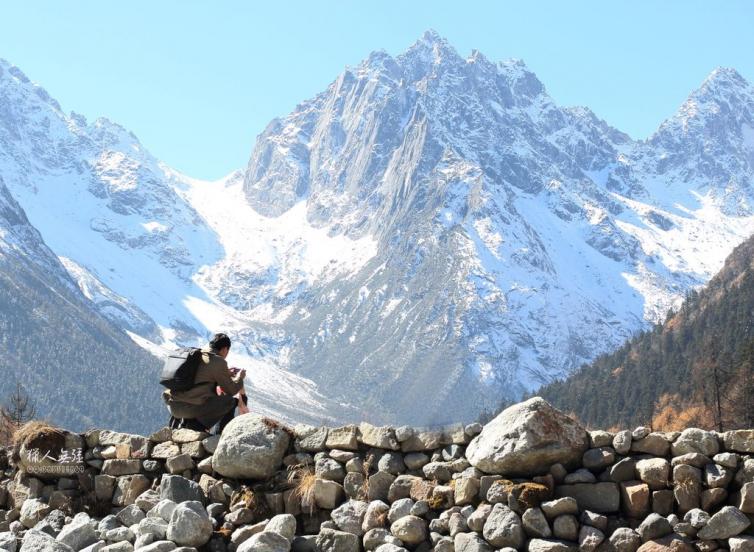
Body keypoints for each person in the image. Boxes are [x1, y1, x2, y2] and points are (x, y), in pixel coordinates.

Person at [163, 333, 247, 433]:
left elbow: (203, 374)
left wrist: (226, 373)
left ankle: (181, 427)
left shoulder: (197, 355)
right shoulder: (218, 361)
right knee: (230, 401)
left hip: (173, 406)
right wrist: (240, 377)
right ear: (225, 349)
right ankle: (210, 432)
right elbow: (231, 390)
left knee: (198, 398)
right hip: (188, 409)